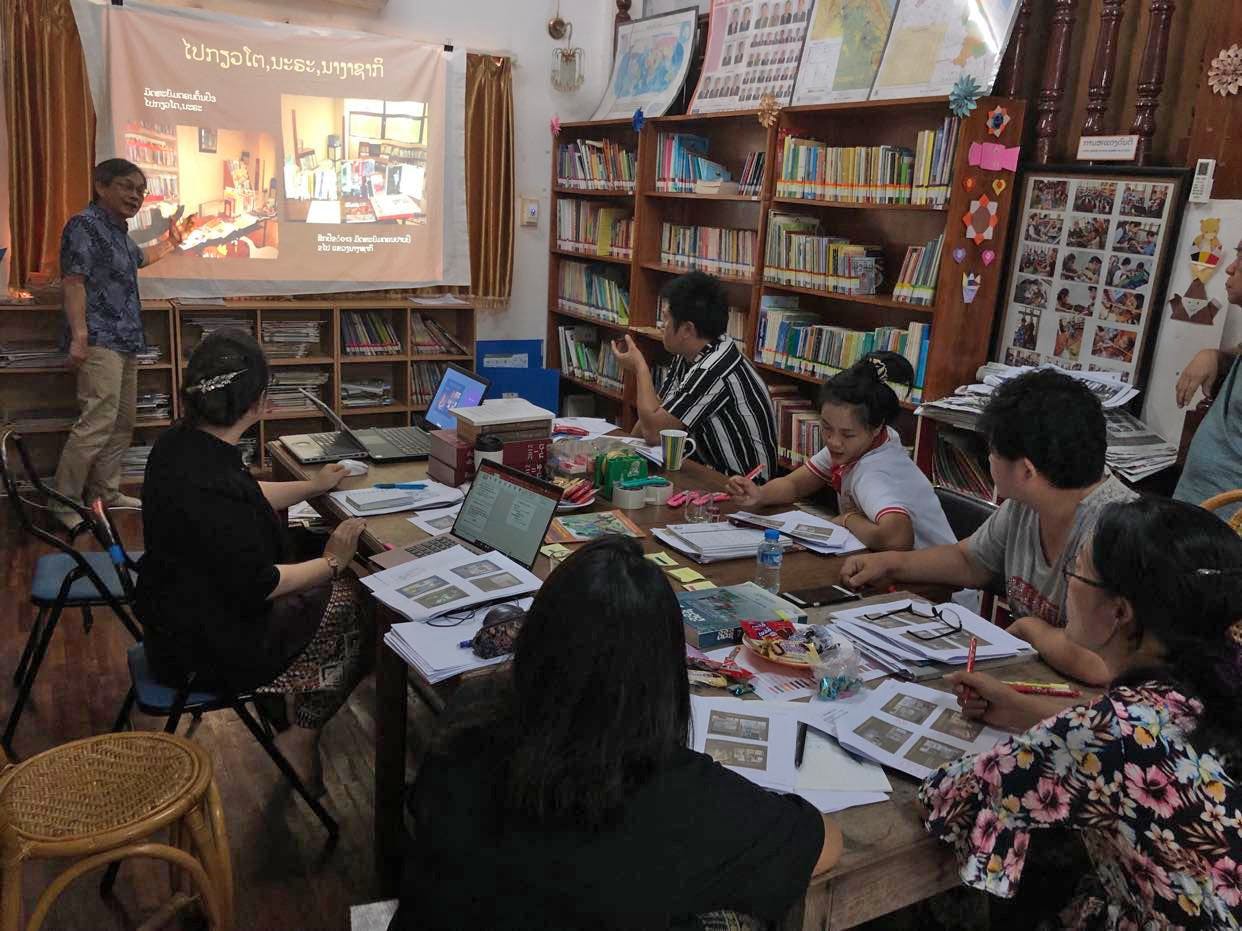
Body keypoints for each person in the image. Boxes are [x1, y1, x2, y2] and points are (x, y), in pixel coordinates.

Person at [390, 536, 842, 930]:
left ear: (535, 640)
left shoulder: (472, 709)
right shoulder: (673, 790)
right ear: (665, 675)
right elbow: (823, 843)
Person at [921, 497, 1242, 929]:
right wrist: (1023, 710)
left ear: (1119, 612)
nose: (1067, 583)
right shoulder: (1217, 679)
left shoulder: (1112, 732)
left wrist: (1054, 734)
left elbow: (953, 794)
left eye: (1077, 571)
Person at [136, 331, 368, 794]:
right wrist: (332, 562)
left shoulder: (181, 444)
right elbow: (259, 583)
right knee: (364, 604)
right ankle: (301, 735)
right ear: (258, 402)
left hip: (173, 619)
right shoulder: (210, 480)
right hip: (204, 650)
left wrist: (312, 487)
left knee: (314, 556)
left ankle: (284, 705)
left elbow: (245, 493)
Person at [842, 369, 1135, 686]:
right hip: (1039, 679)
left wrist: (1030, 629)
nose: (988, 459)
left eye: (991, 451)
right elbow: (971, 561)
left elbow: (1100, 667)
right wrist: (890, 563)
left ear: (1026, 471)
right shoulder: (1028, 503)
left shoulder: (1118, 531)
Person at [51, 158, 185, 530]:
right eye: (127, 186)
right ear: (101, 186)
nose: (136, 196)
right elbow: (74, 282)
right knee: (96, 423)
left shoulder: (118, 232)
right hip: (99, 339)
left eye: (141, 190)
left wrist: (172, 241)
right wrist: (80, 337)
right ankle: (63, 502)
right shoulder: (83, 225)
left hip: (126, 339)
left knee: (123, 423)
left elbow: (142, 258)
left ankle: (105, 493)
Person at [727, 352, 954, 551]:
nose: (834, 442)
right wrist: (760, 494)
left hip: (933, 581)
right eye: (826, 428)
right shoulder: (865, 444)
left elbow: (897, 538)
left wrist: (848, 520)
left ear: (876, 428)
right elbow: (795, 484)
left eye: (847, 434)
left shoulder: (874, 473)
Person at [613, 271, 778, 480]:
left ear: (687, 330)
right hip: (706, 469)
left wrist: (640, 368)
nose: (661, 326)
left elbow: (655, 433)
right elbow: (656, 414)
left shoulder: (713, 368)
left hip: (742, 484)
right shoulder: (691, 352)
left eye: (665, 318)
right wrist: (622, 454)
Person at [1174, 238, 1242, 518]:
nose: (1230, 268)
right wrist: (1214, 355)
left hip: (1225, 527)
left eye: (1241, 259)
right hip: (1194, 510)